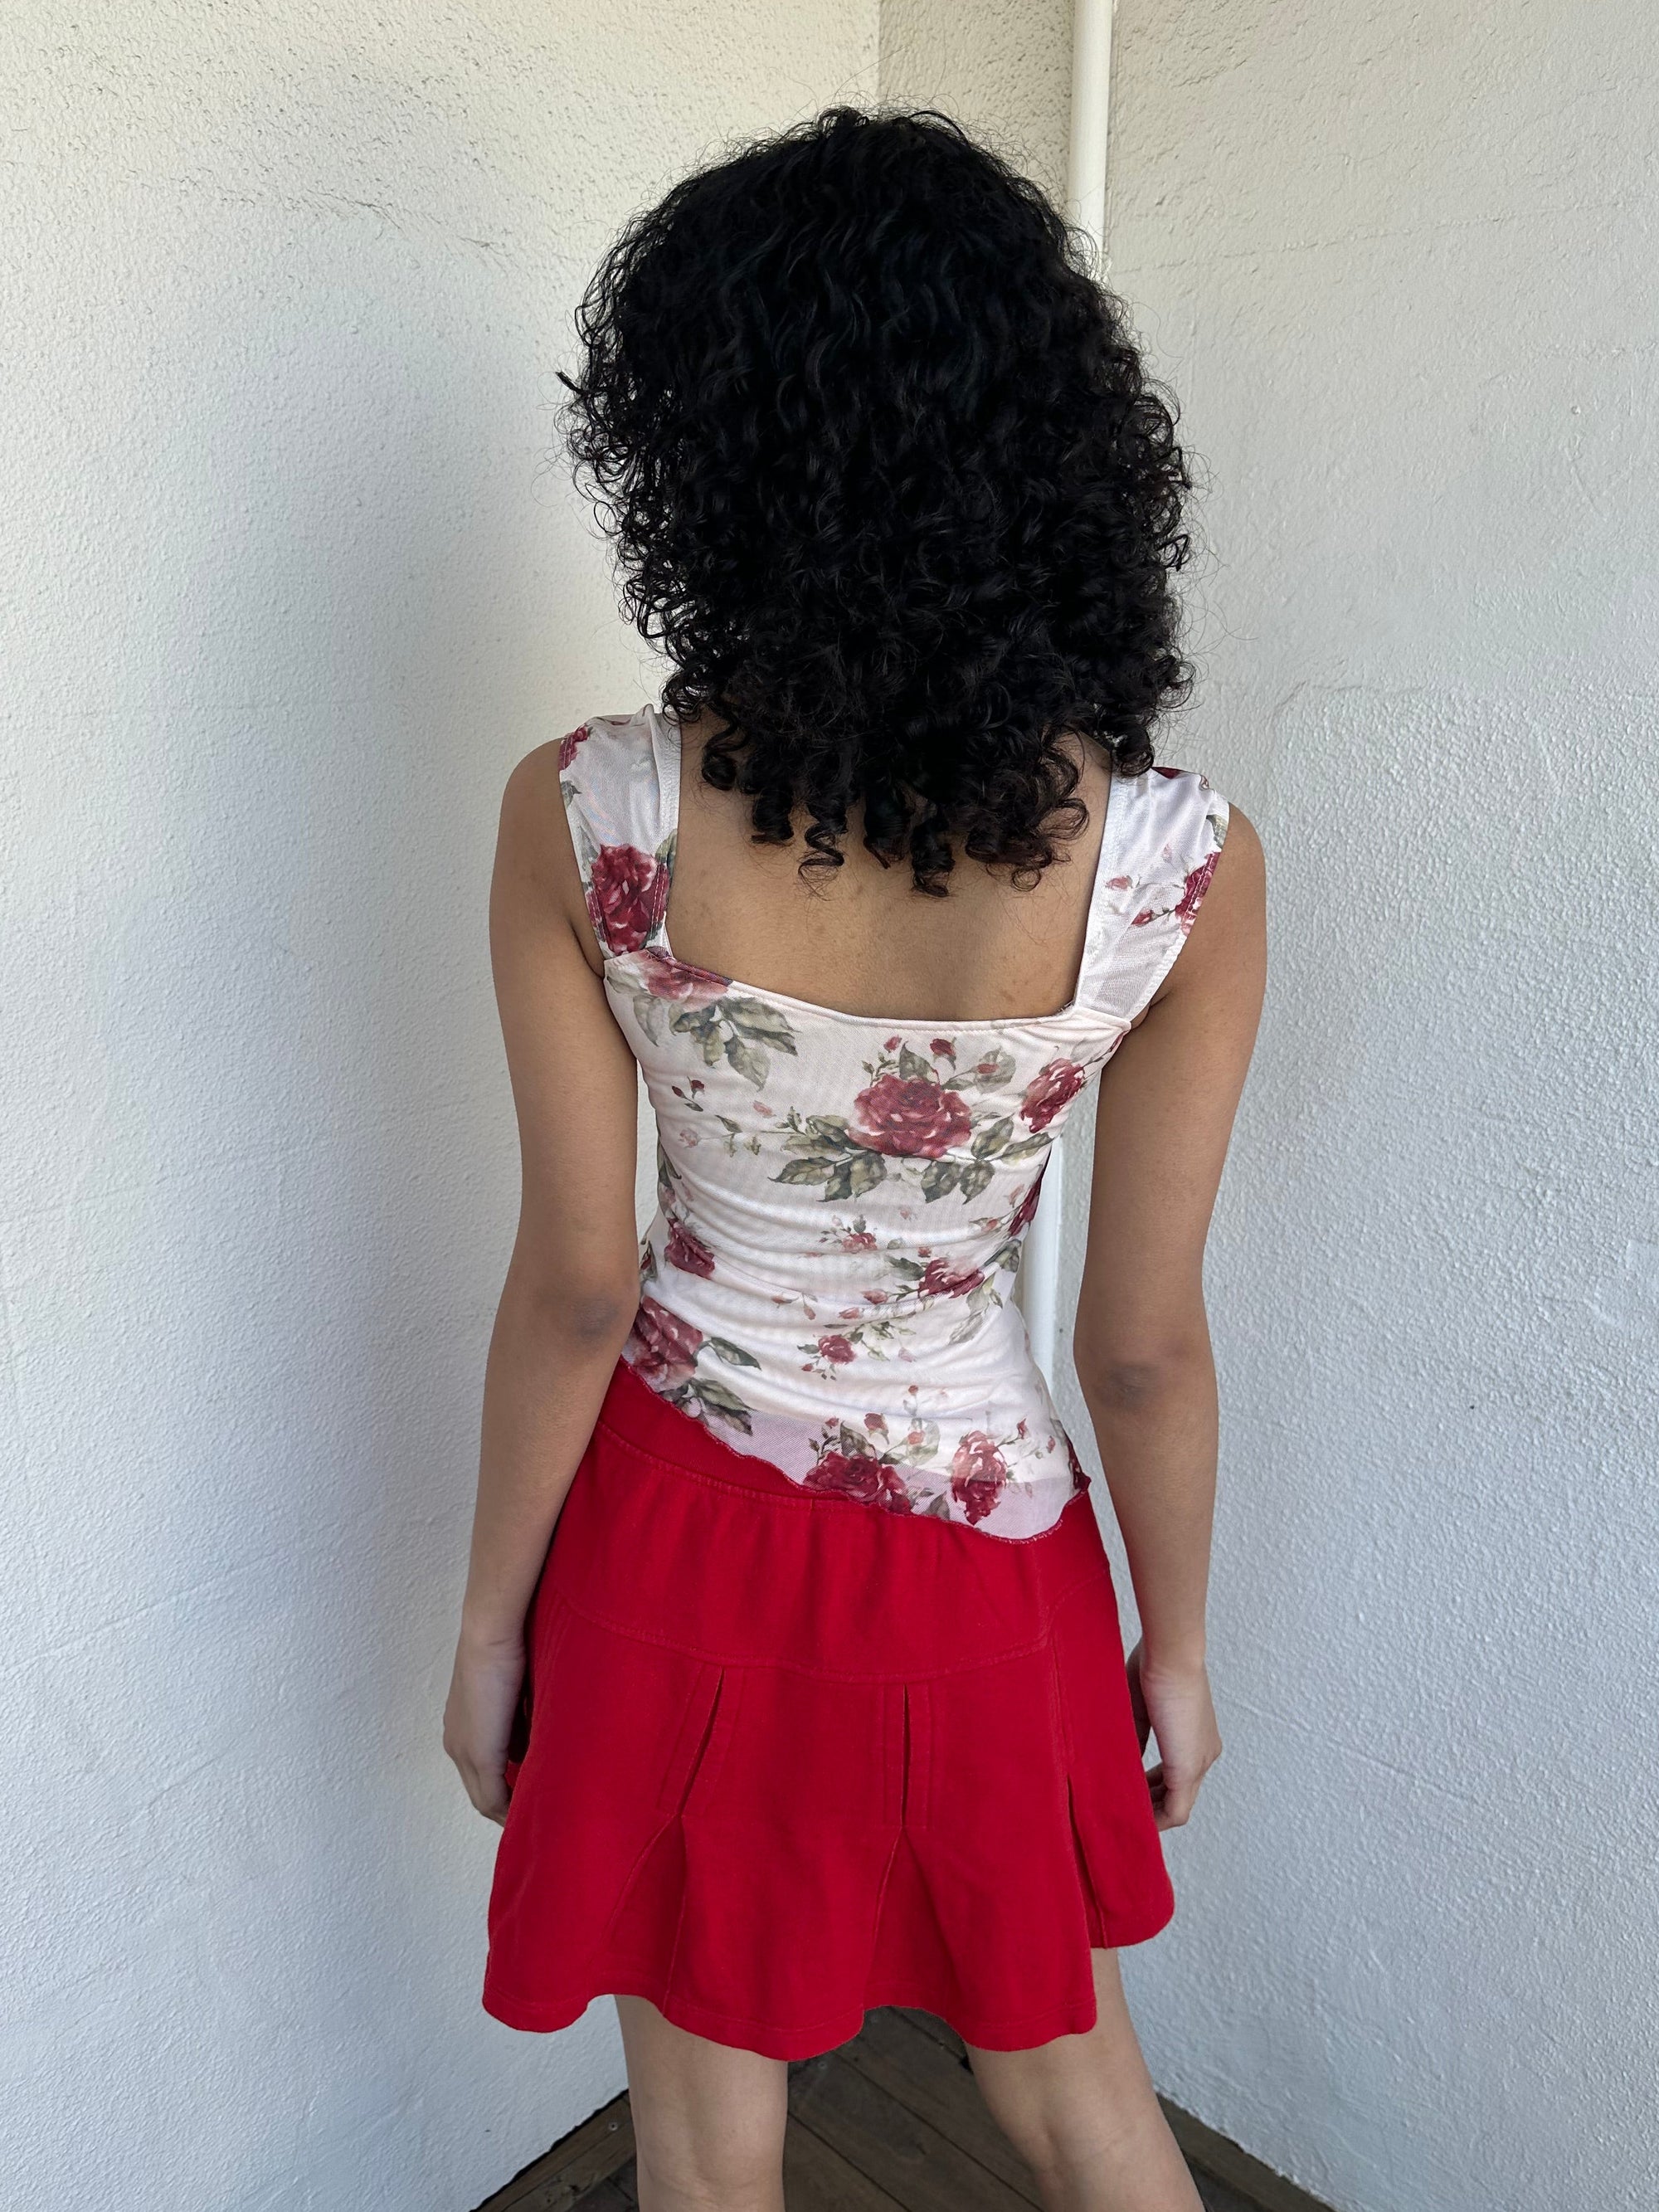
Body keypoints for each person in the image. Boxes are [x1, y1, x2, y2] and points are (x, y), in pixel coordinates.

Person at [445, 106, 1266, 2212]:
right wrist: (1169, 1643)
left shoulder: (590, 813)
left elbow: (574, 1283)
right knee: (1084, 2100)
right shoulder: (1182, 865)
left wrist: (487, 1623)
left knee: (707, 2157)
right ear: (1055, 451)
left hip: (668, 1545)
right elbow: (1147, 1351)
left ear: (702, 459)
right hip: (986, 1560)